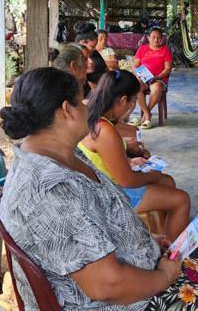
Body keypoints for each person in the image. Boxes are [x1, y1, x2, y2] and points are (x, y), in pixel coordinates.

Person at [0, 68, 198, 310]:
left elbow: (93, 219)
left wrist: (145, 240)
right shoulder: (48, 190)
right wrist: (163, 277)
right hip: (107, 302)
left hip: (129, 272)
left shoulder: (62, 153)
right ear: (67, 110)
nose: (88, 106)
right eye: (81, 101)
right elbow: (105, 285)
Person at [79, 70, 190, 241]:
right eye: (132, 102)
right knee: (181, 200)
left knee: (168, 182)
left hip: (105, 182)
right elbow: (127, 181)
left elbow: (104, 159)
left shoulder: (91, 113)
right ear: (123, 100)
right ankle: (174, 256)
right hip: (113, 194)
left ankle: (163, 236)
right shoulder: (105, 130)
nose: (131, 108)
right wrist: (152, 175)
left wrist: (131, 160)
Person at [131, 28, 172, 129]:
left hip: (158, 79)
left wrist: (157, 77)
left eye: (159, 38)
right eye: (153, 37)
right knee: (136, 86)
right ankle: (147, 114)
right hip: (144, 77)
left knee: (157, 88)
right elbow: (135, 65)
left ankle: (145, 115)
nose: (156, 40)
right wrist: (139, 73)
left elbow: (168, 68)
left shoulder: (165, 50)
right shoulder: (142, 49)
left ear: (162, 39)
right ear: (148, 38)